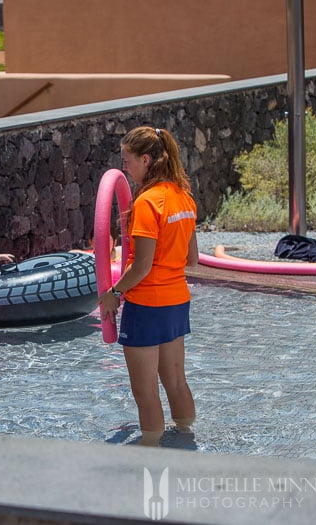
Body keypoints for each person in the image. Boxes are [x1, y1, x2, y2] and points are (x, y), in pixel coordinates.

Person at [97, 126, 198, 446]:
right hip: (177, 301)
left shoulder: (147, 203)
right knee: (176, 382)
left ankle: (150, 450)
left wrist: (113, 294)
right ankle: (185, 436)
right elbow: (192, 258)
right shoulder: (184, 197)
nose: (125, 167)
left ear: (145, 159)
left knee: (145, 390)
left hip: (147, 305)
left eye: (128, 161)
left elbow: (141, 267)